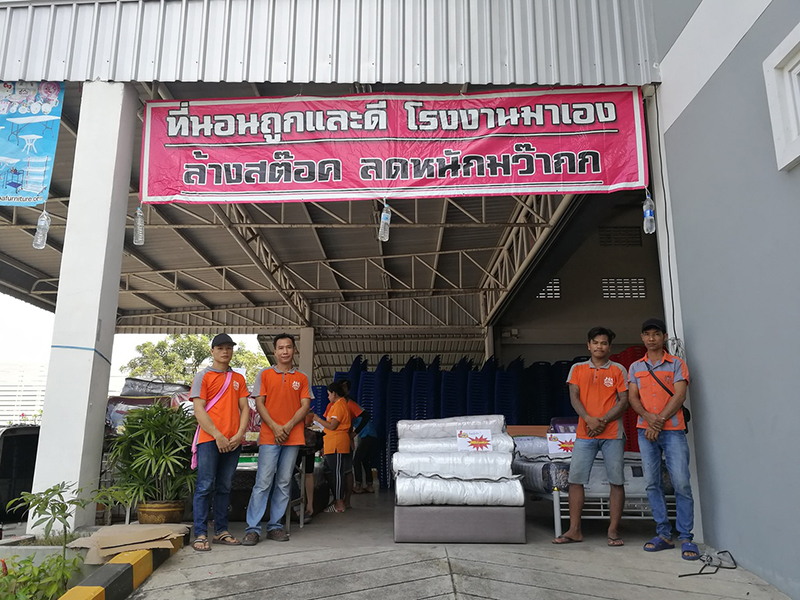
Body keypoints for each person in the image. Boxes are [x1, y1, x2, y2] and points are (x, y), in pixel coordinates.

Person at [628, 317, 698, 560]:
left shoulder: (677, 364)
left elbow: (679, 396)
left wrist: (658, 421)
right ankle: (664, 535)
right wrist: (649, 419)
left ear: (664, 337)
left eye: (656, 334)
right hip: (645, 431)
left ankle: (686, 537)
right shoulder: (636, 367)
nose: (651, 338)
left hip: (673, 430)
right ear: (642, 337)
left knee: (681, 482)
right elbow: (633, 397)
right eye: (647, 334)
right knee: (652, 482)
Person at [553, 327, 629, 547]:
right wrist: (588, 419)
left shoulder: (618, 370)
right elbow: (574, 397)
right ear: (588, 345)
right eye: (595, 342)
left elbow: (624, 401)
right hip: (585, 433)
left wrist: (602, 421)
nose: (599, 346)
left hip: (613, 434)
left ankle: (613, 530)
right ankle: (575, 530)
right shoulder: (577, 369)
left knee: (616, 481)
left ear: (610, 347)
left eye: (604, 343)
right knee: (575, 480)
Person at [243, 333, 311, 545]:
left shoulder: (302, 378)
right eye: (280, 348)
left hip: (293, 437)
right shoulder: (264, 375)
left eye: (288, 347)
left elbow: (305, 406)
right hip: (269, 437)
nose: (285, 351)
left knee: (283, 482)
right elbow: (259, 403)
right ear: (274, 351)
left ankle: (275, 527)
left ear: (294, 350)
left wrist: (287, 427)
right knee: (263, 482)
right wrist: (275, 427)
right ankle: (252, 529)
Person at [190, 333, 250, 552]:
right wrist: (217, 435)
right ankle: (200, 534)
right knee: (205, 486)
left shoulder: (238, 379)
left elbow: (245, 408)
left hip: (233, 441)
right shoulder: (203, 376)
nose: (225, 352)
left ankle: (221, 531)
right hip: (209, 439)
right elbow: (199, 410)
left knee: (225, 486)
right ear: (212, 351)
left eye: (229, 348)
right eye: (220, 348)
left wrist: (240, 433)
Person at [313, 381, 352, 513]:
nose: (328, 397)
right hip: (332, 443)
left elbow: (332, 426)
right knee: (332, 472)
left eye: (329, 394)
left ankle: (340, 503)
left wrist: (318, 419)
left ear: (334, 393)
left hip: (337, 444)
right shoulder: (336, 405)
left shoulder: (340, 405)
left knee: (337, 474)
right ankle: (337, 500)